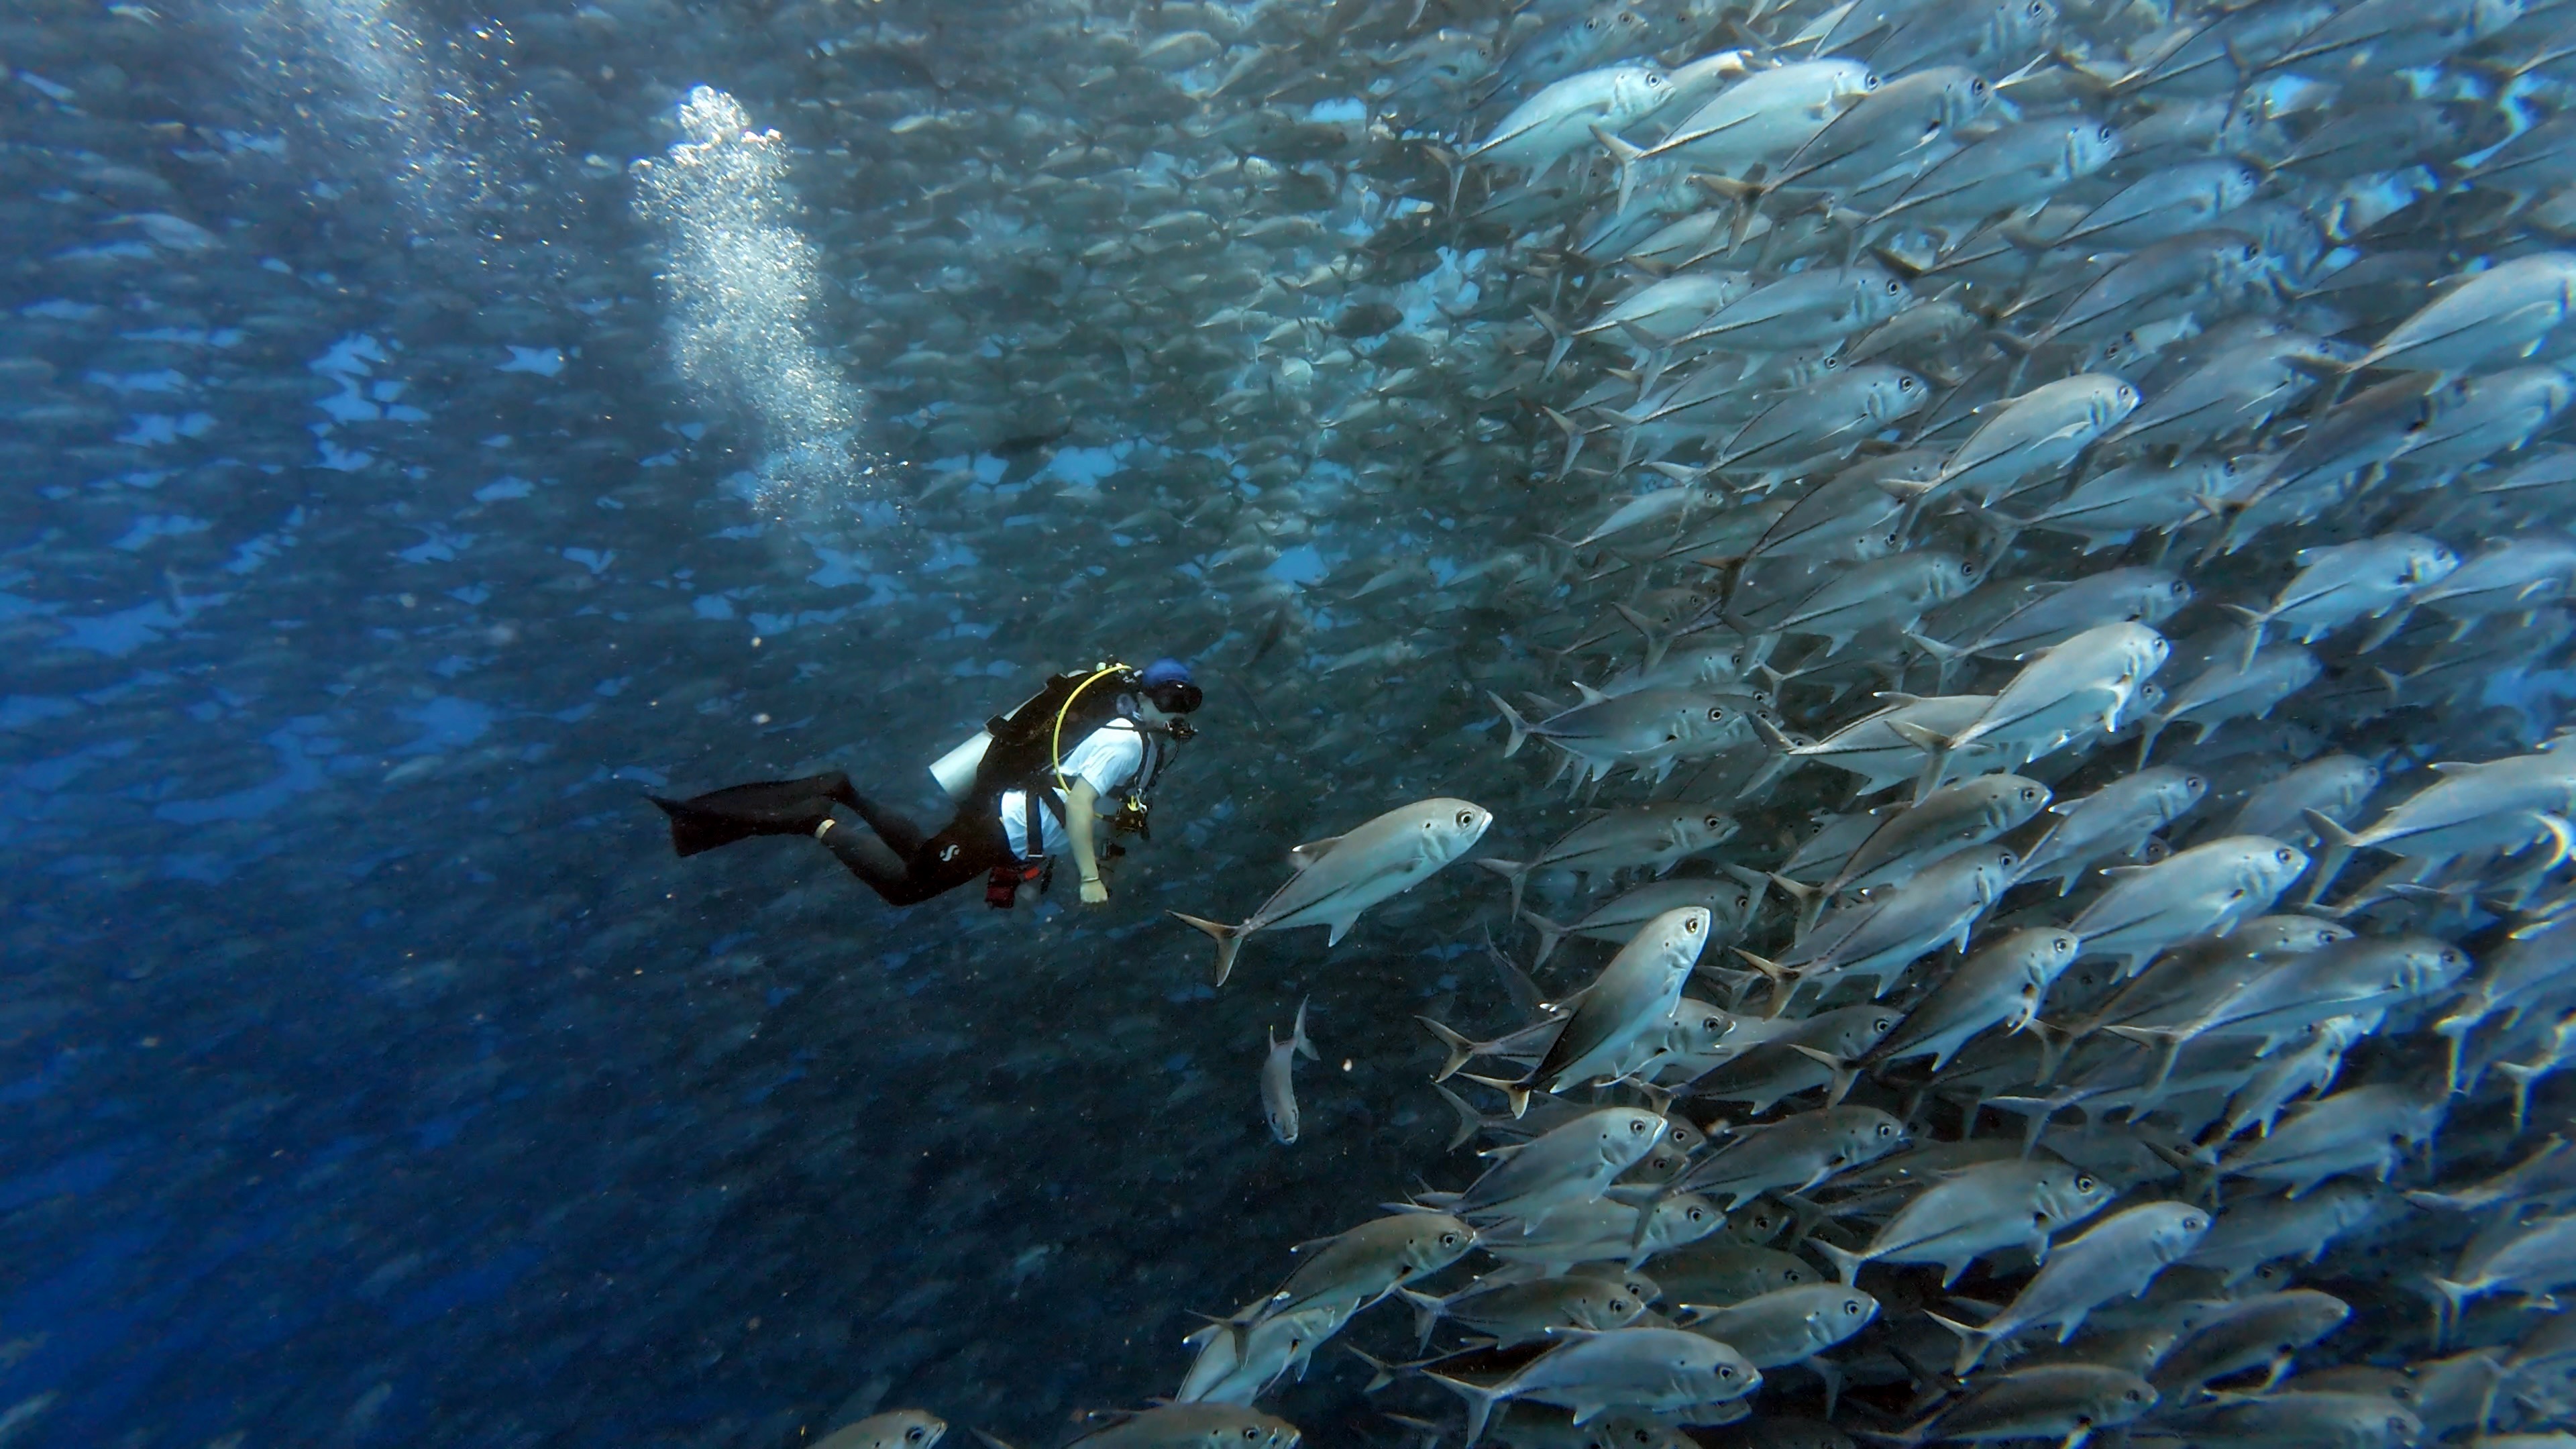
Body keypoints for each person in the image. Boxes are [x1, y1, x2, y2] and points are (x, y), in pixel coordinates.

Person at [647, 659, 1203, 908]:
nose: (1179, 711)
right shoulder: (1126, 740)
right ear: (1141, 697)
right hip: (1001, 828)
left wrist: (1095, 861)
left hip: (1010, 832)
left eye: (1188, 702)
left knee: (919, 856)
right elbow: (1080, 806)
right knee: (906, 888)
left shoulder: (1153, 750)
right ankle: (813, 819)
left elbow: (1104, 810)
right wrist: (1088, 877)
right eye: (1171, 699)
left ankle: (844, 792)